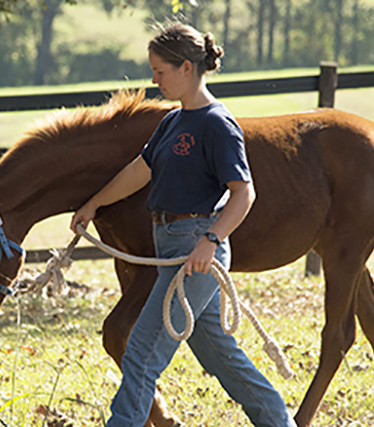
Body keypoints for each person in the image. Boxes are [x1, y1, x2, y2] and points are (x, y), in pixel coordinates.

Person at [69, 23, 295, 427]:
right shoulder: (173, 122)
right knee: (221, 357)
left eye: (160, 71)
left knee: (140, 352)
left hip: (196, 251)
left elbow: (244, 194)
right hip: (172, 247)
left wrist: (211, 239)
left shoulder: (217, 123)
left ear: (186, 68)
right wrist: (93, 204)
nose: (154, 79)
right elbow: (141, 170)